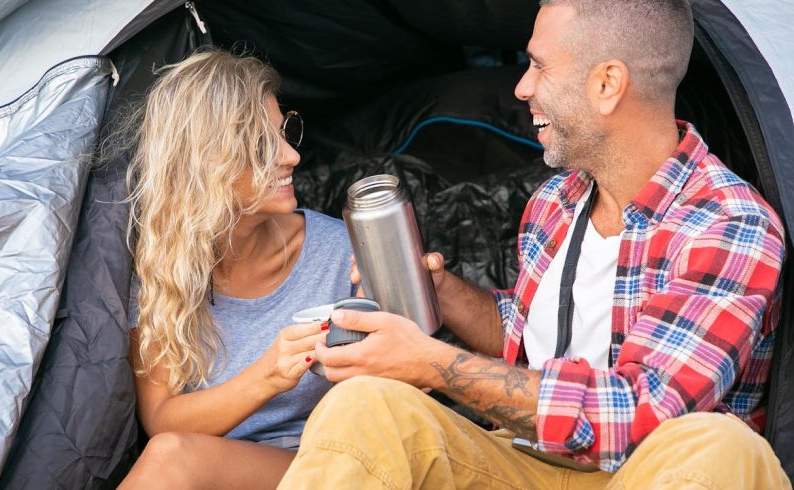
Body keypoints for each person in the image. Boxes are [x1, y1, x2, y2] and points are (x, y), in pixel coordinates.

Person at [278, 1, 791, 488]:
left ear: (607, 83)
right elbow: (526, 343)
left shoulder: (728, 223)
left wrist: (431, 363)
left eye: (540, 66)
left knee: (720, 445)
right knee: (368, 405)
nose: (521, 88)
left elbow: (641, 413)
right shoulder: (556, 201)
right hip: (522, 462)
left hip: (646, 474)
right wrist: (439, 290)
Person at [116, 50, 352, 489]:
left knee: (172, 461)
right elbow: (161, 419)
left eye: (285, 134)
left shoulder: (339, 252)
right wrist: (268, 374)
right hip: (220, 472)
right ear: (207, 164)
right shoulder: (165, 268)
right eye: (263, 145)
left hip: (329, 464)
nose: (291, 157)